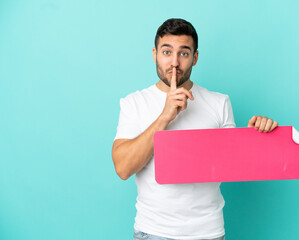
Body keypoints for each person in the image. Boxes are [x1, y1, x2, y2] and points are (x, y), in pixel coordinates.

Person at [112, 18, 279, 240]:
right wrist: (165, 117)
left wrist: (250, 138)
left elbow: (233, 167)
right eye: (166, 52)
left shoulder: (219, 102)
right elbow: (123, 168)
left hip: (208, 232)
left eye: (183, 53)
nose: (174, 62)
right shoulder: (134, 103)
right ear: (154, 54)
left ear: (195, 57)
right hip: (153, 232)